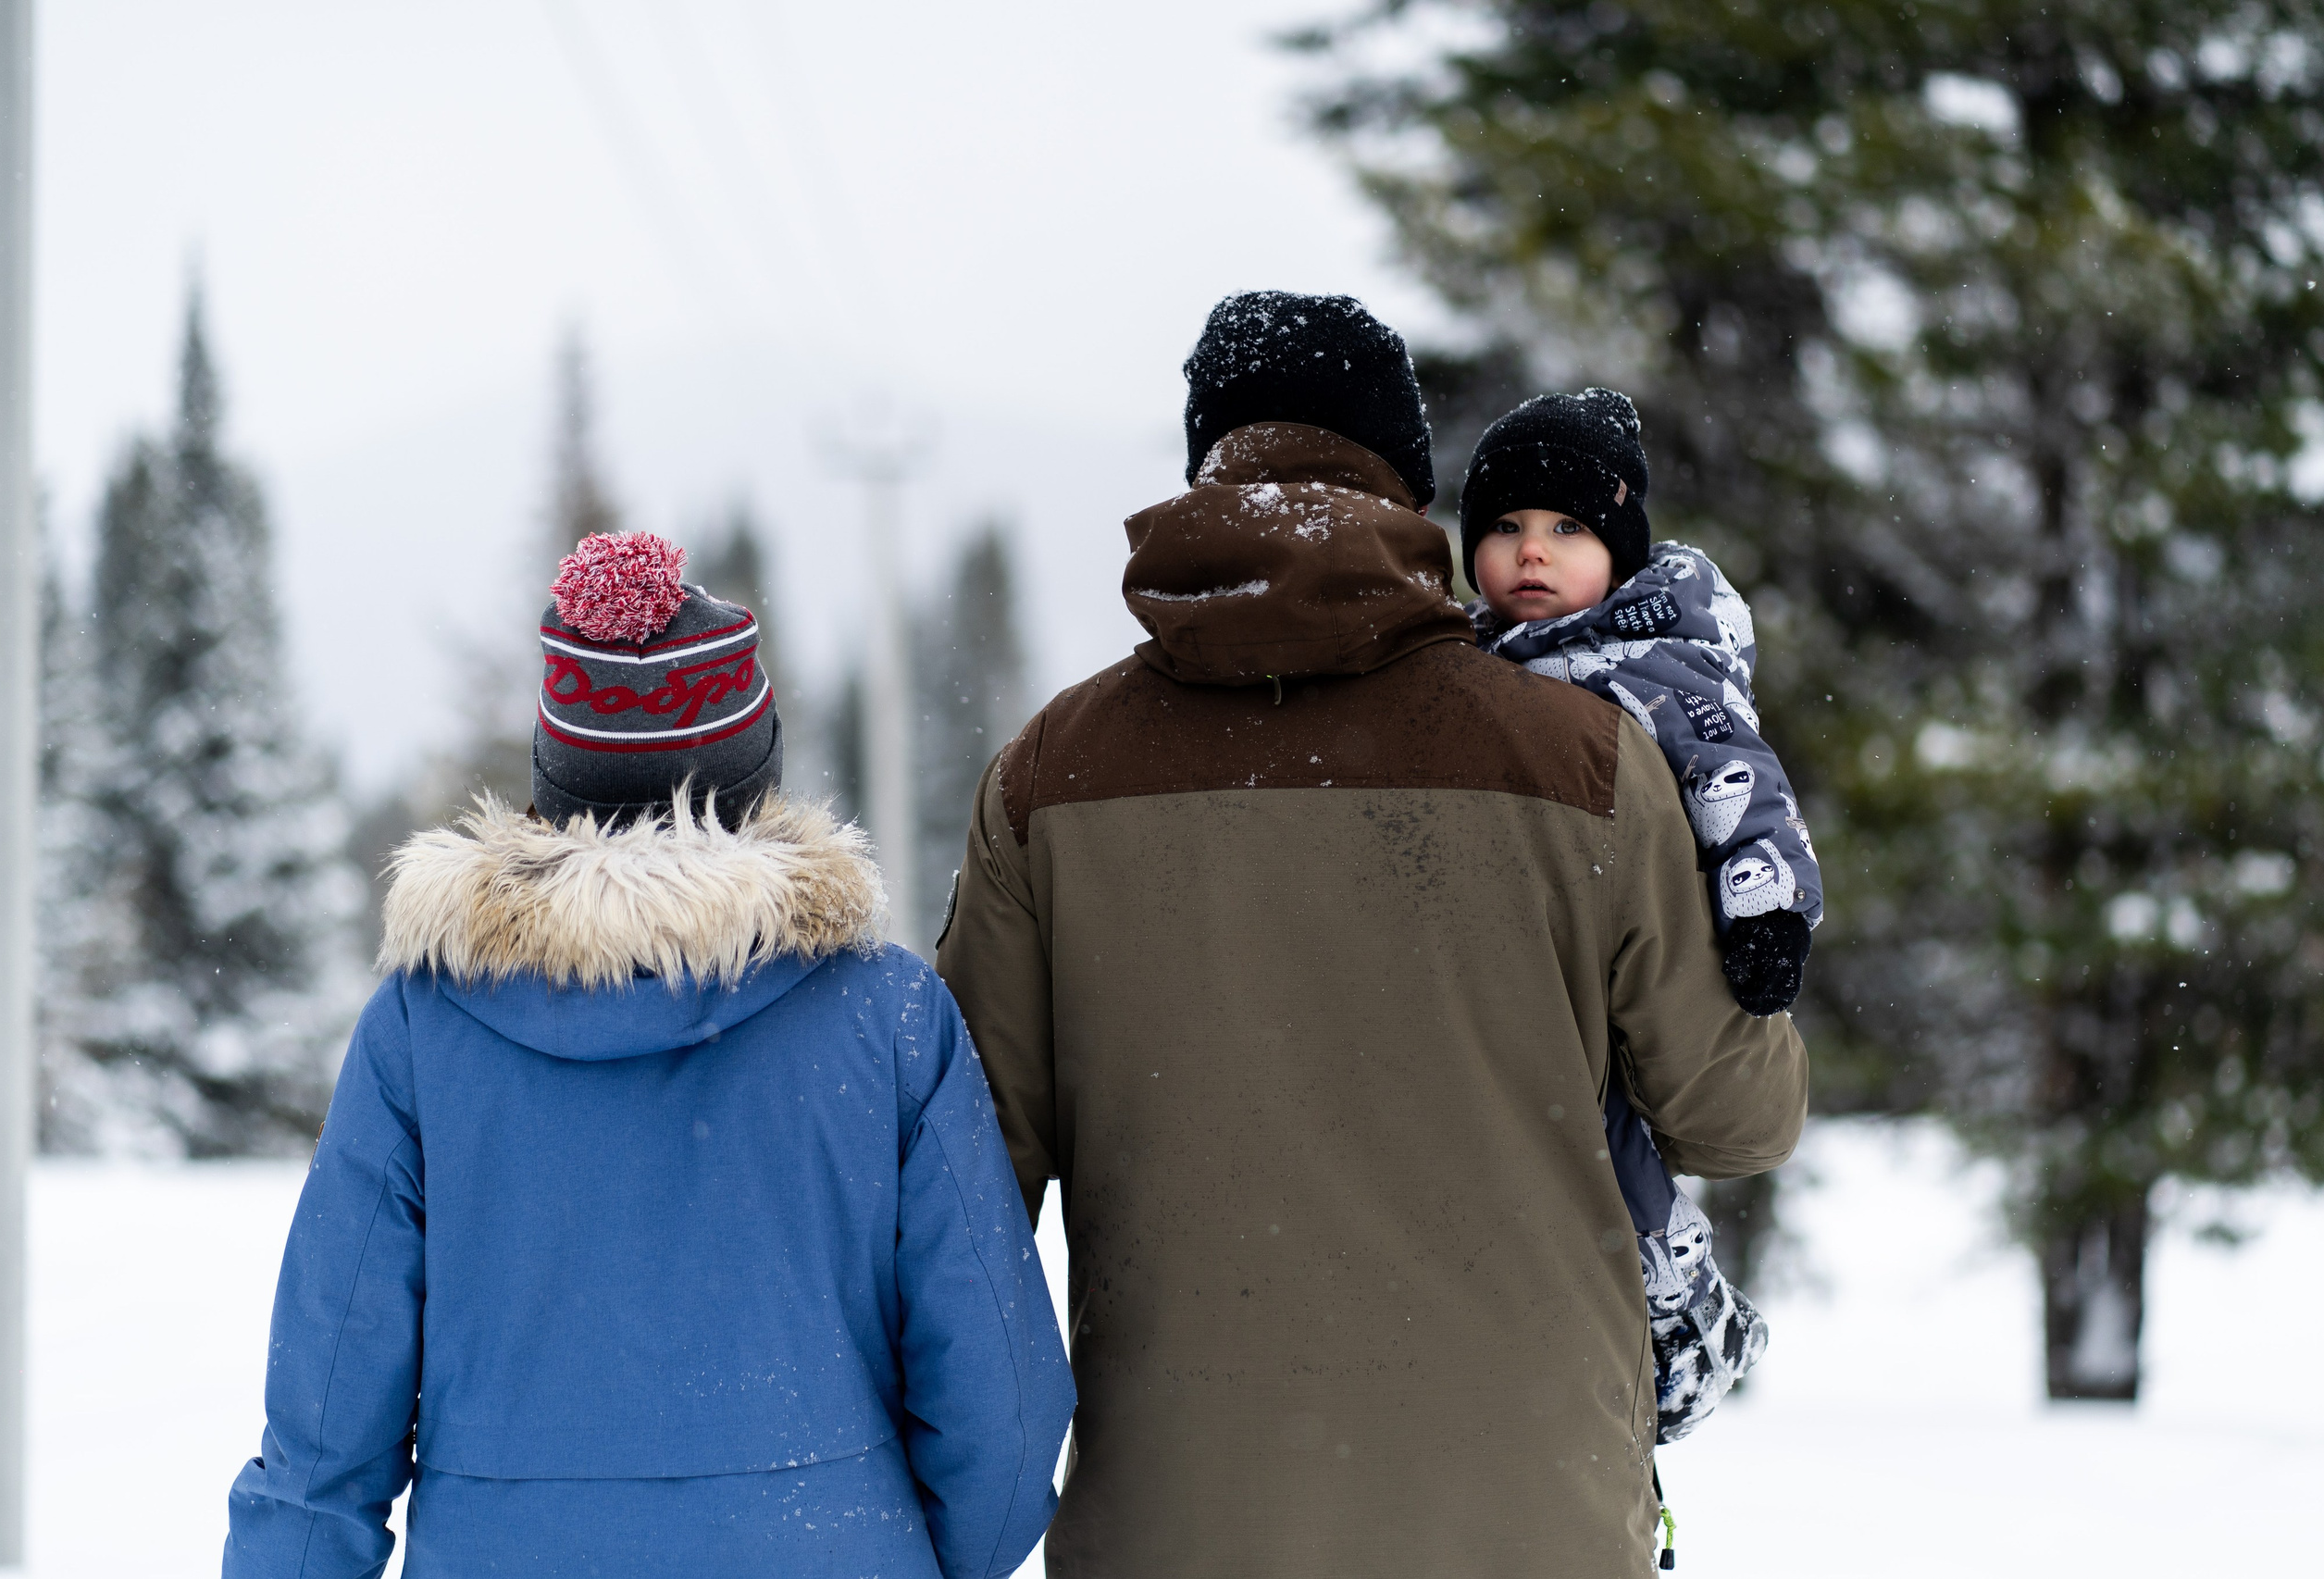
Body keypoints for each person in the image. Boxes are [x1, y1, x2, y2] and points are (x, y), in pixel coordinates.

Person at [935, 291, 1807, 1579]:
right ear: (1412, 487)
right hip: (1532, 1518)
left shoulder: (1046, 777)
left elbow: (963, 1198)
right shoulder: (1581, 758)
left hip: (1180, 1525)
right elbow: (1739, 1119)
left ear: (1202, 469)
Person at [224, 531, 1073, 1579]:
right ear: (755, 772)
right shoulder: (887, 1013)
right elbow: (1002, 1389)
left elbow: (327, 1401)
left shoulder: (423, 1027)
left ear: (551, 777)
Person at [1460, 388, 1821, 1442]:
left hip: (1647, 961)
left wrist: (1767, 911)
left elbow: (1743, 784)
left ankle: (1684, 1314)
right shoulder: (1478, 657)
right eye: (1505, 529)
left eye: (1566, 529)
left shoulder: (1655, 660)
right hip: (1545, 970)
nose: (1532, 553)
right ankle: (1668, 1309)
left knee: (1610, 1152)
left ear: (1617, 550)